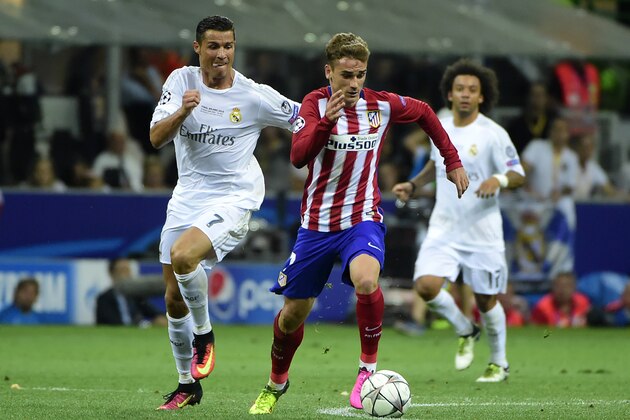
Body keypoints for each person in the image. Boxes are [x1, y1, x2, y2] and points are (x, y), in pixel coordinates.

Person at [249, 33, 468, 415]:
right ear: (329, 71)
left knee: (367, 280)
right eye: (346, 75)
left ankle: (367, 372)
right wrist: (325, 124)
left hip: (362, 217)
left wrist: (451, 159)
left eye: (360, 75)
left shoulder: (379, 106)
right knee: (292, 315)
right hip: (316, 225)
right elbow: (299, 156)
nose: (353, 84)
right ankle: (276, 383)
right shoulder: (314, 105)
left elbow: (425, 113)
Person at [148, 16, 300, 410]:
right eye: (213, 46)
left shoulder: (252, 95)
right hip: (188, 195)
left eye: (228, 46)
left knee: (184, 256)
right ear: (198, 47)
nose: (221, 54)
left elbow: (303, 119)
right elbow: (155, 138)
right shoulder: (181, 82)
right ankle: (187, 385)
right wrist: (182, 112)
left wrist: (340, 120)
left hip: (235, 196)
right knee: (172, 298)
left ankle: (204, 336)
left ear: (235, 48)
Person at [392, 58, 526, 383]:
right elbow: (436, 166)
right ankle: (465, 329)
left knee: (485, 299)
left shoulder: (493, 134)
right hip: (445, 227)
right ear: (449, 94)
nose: (465, 95)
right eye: (460, 89)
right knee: (425, 286)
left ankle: (499, 363)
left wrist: (499, 181)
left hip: (483, 230)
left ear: (482, 97)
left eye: (472, 90)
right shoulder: (439, 123)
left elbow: (518, 173)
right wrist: (413, 184)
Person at [95, 258, 167, 327]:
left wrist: (159, 319)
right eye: (122, 270)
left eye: (128, 270)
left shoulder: (135, 296)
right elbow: (112, 323)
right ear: (112, 273)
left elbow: (154, 313)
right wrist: (146, 325)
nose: (126, 274)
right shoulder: (104, 299)